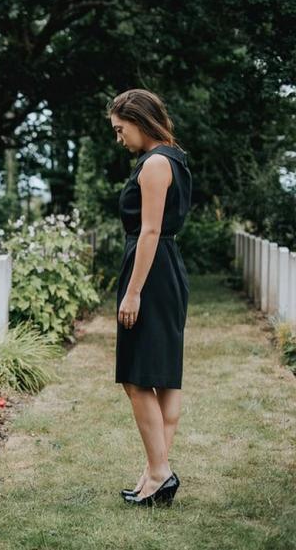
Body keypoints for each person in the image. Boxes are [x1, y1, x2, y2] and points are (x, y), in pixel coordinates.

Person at [108, 89, 192, 507]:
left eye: (121, 129)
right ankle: (153, 474)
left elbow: (151, 231)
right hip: (163, 269)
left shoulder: (156, 163)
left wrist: (133, 292)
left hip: (152, 274)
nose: (119, 138)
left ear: (139, 121)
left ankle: (160, 472)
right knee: (161, 377)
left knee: (138, 376)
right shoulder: (172, 157)